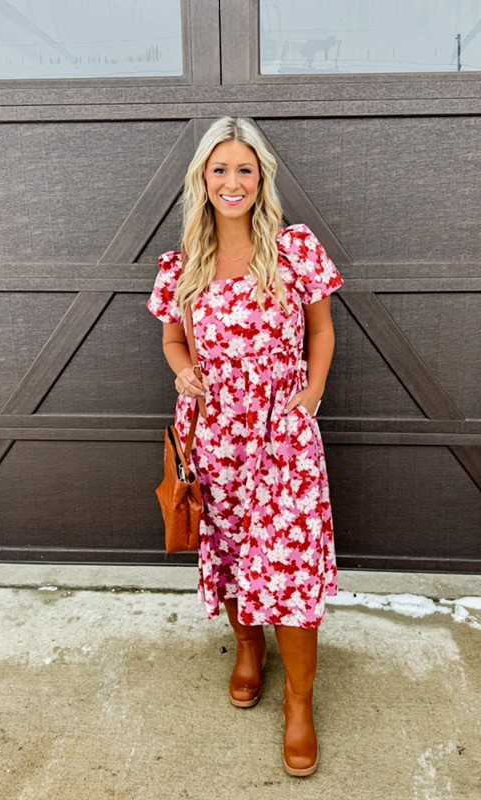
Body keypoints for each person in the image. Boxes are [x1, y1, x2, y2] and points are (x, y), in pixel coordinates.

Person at [146, 116, 344, 777]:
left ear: (262, 179)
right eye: (220, 169)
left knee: (288, 568)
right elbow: (174, 340)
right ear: (202, 180)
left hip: (282, 437)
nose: (232, 182)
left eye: (245, 170)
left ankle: (299, 702)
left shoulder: (294, 251)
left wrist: (311, 395)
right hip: (216, 435)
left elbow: (322, 332)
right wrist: (181, 368)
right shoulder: (184, 264)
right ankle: (249, 651)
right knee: (228, 550)